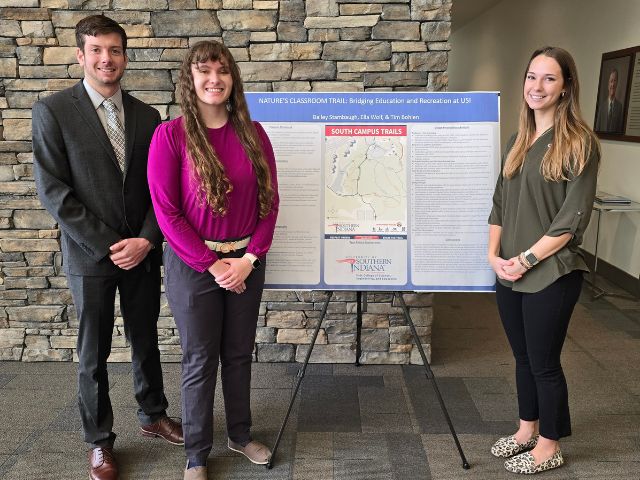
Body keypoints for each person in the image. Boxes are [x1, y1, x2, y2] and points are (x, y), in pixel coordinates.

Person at [32, 14, 183, 480]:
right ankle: (99, 442)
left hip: (141, 250)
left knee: (146, 339)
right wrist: (111, 244)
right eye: (96, 50)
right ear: (81, 55)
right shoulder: (53, 110)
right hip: (90, 255)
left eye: (115, 50)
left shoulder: (148, 116)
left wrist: (145, 240)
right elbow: (53, 191)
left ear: (124, 56)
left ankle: (153, 415)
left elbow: (162, 190)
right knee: (92, 353)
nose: (106, 59)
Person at [147, 40, 279, 480]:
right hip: (194, 266)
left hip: (245, 263)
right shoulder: (170, 135)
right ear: (191, 79)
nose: (214, 80)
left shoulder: (254, 134)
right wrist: (212, 264)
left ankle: (239, 435)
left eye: (222, 72)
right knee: (200, 359)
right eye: (204, 71)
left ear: (232, 79)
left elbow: (269, 204)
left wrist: (249, 259)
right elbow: (167, 212)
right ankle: (197, 455)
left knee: (239, 354)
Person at [487, 46, 600, 475]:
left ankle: (549, 444)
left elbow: (571, 218)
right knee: (521, 357)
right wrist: (493, 256)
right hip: (509, 271)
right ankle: (525, 429)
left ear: (566, 86)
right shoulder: (518, 140)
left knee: (544, 362)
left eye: (549, 78)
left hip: (552, 272)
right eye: (532, 76)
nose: (537, 86)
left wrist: (526, 259)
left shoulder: (578, 143)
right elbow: (500, 203)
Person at [595, 68, 624, 133]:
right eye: (611, 81)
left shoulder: (620, 107)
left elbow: (619, 131)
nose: (613, 84)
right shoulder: (601, 107)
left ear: (617, 83)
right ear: (608, 84)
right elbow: (597, 130)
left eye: (615, 81)